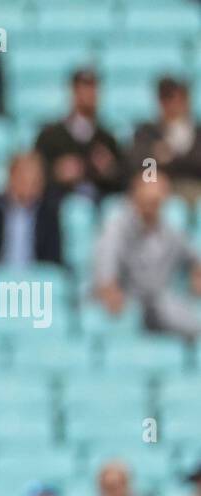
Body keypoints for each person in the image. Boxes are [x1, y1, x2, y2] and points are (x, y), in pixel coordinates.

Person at [93, 175, 201, 339]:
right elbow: (106, 272)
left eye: (156, 202)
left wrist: (196, 272)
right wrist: (109, 289)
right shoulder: (116, 228)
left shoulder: (169, 231)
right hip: (130, 303)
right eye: (146, 201)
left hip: (159, 303)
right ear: (134, 198)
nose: (150, 207)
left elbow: (193, 256)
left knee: (172, 307)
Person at [34, 69, 123, 200]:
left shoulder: (107, 139)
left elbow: (122, 182)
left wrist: (109, 170)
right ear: (73, 92)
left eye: (93, 88)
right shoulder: (49, 137)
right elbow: (34, 174)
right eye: (83, 88)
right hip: (57, 206)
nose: (88, 94)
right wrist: (56, 172)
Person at [0, 152, 63, 268]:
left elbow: (53, 258)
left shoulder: (49, 212)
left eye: (36, 181)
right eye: (24, 179)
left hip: (38, 280)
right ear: (11, 178)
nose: (30, 186)